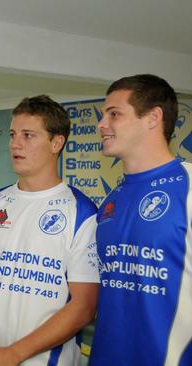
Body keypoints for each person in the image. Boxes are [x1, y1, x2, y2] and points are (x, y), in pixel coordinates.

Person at [0, 95, 100, 365]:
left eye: (28, 135)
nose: (15, 144)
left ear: (57, 143)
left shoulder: (82, 213)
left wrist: (13, 355)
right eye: (12, 134)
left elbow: (84, 306)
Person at [89, 74, 192, 365]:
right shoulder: (111, 201)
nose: (101, 124)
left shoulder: (189, 188)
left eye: (115, 114)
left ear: (153, 118)